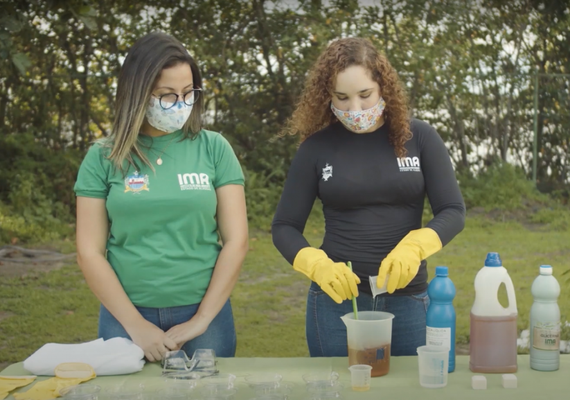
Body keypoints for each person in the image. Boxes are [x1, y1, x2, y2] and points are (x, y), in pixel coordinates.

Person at [271, 37, 465, 357]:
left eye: (365, 95)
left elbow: (453, 210)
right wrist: (317, 265)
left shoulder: (420, 138)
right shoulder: (316, 148)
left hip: (409, 299)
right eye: (342, 98)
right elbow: (284, 227)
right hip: (337, 303)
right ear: (327, 96)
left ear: (383, 88)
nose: (355, 109)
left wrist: (416, 246)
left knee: (408, 389)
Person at [74, 32, 248, 362]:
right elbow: (89, 251)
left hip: (205, 316)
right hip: (124, 318)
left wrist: (201, 320)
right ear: (137, 94)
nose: (181, 105)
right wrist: (136, 326)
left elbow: (237, 241)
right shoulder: (103, 157)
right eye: (167, 96)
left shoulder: (214, 148)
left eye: (188, 93)